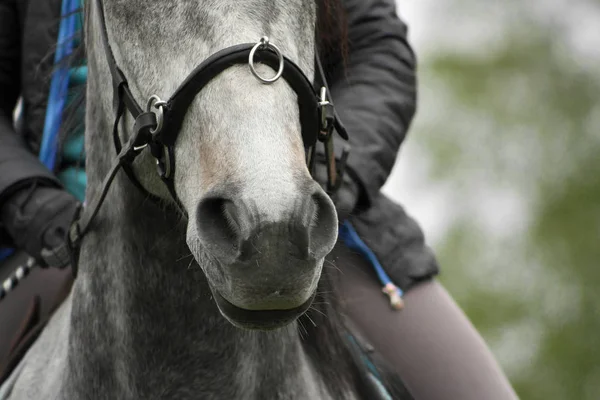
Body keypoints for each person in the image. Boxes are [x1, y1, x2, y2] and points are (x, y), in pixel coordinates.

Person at [0, 0, 518, 398]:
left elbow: (376, 51)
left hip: (300, 196)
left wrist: (331, 170)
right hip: (61, 228)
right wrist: (34, 206)